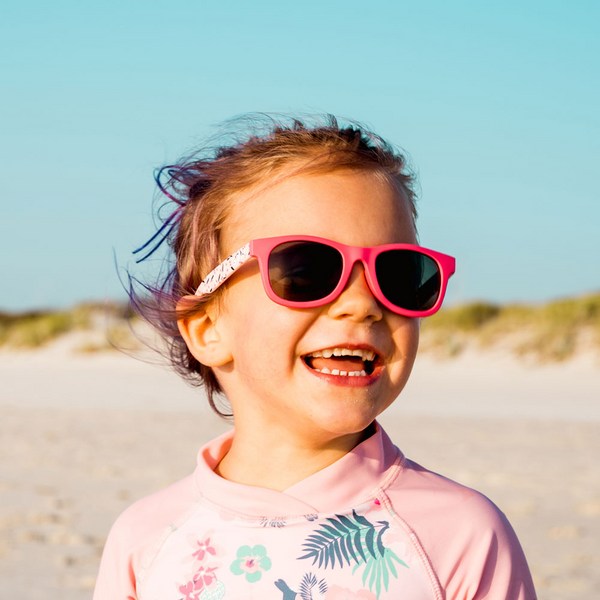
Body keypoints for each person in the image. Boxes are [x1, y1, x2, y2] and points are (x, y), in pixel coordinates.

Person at [94, 115, 537, 599]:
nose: (363, 304)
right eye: (306, 270)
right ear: (208, 330)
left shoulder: (460, 535)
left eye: (398, 274)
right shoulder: (147, 539)